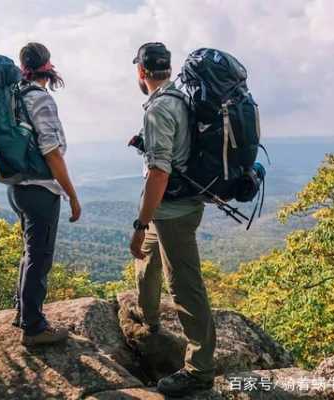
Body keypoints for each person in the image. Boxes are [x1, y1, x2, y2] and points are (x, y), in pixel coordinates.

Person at [129, 42, 217, 396]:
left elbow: (159, 173)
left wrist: (139, 223)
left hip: (173, 211)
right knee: (145, 257)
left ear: (141, 72)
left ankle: (200, 368)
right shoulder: (182, 99)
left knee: (184, 286)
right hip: (180, 204)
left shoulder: (159, 109)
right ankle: (148, 318)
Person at [8, 42, 81, 346]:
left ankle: (23, 312)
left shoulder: (14, 96)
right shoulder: (41, 100)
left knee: (30, 252)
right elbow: (52, 152)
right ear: (47, 65)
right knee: (40, 256)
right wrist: (72, 195)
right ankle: (34, 328)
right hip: (40, 189)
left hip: (17, 187)